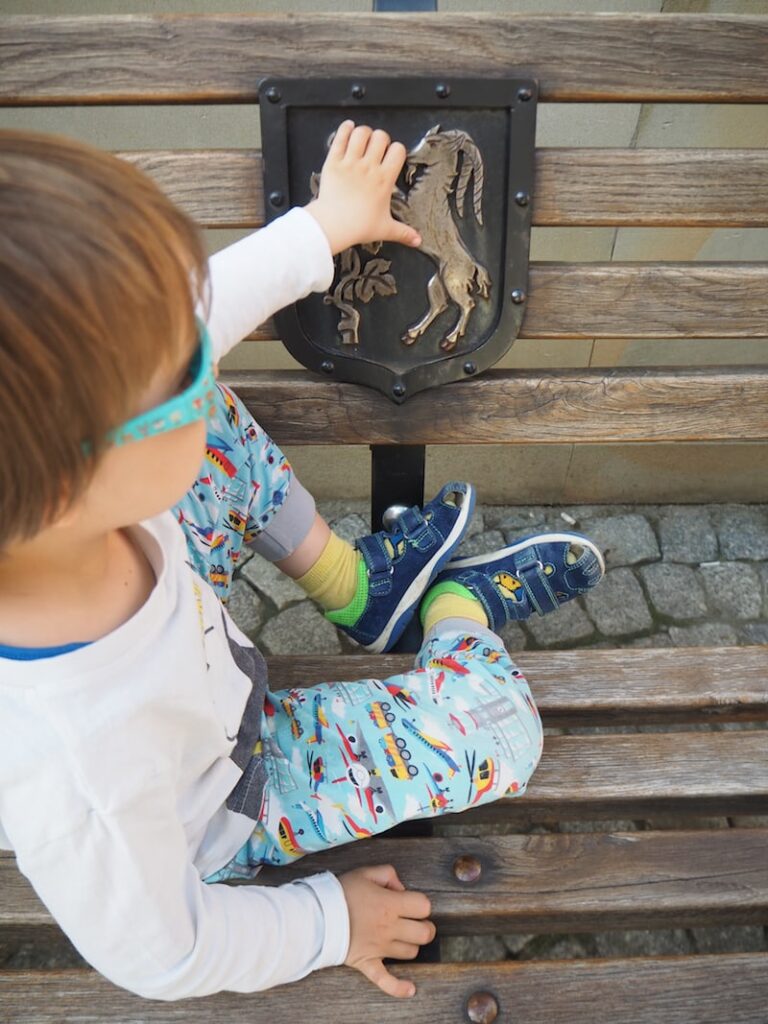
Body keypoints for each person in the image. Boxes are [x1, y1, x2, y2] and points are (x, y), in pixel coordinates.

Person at [0, 122, 604, 1002]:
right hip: (233, 796)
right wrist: (330, 922)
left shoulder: (51, 493)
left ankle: (362, 593)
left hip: (201, 679)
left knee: (205, 422)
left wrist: (322, 226)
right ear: (66, 481)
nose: (199, 346)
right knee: (503, 740)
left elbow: (193, 321)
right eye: (172, 372)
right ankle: (453, 611)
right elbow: (166, 954)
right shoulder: (77, 767)